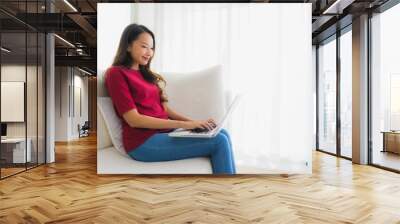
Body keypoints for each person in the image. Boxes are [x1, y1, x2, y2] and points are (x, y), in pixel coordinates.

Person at [105, 23, 236, 174]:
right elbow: (133, 119)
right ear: (128, 46)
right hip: (142, 142)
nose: (149, 52)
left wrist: (194, 123)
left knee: (223, 133)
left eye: (152, 48)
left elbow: (165, 110)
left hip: (164, 133)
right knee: (219, 141)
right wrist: (187, 125)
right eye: (144, 46)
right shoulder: (116, 73)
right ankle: (227, 193)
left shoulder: (147, 75)